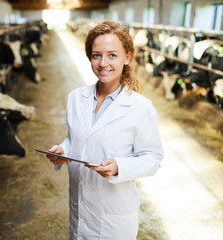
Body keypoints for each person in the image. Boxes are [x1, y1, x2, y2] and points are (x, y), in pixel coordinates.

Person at [46, 20, 164, 240]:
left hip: (113, 219)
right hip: (79, 210)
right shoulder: (75, 98)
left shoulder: (140, 107)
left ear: (127, 57)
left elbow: (153, 158)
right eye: (96, 55)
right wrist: (64, 150)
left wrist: (120, 166)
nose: (103, 63)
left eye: (112, 55)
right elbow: (75, 138)